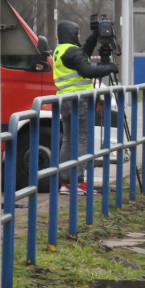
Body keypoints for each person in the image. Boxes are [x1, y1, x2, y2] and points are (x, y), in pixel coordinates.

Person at [52, 20, 118, 195]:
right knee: (82, 140)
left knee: (67, 141)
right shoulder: (72, 53)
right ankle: (78, 181)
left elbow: (83, 53)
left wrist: (94, 36)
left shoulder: (61, 50)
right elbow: (87, 71)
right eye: (78, 33)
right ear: (72, 34)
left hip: (65, 101)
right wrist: (109, 68)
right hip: (79, 101)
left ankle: (66, 182)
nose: (80, 36)